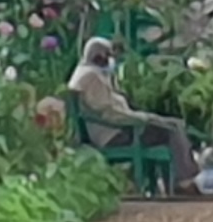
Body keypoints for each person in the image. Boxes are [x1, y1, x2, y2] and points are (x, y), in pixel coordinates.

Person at [63, 36, 194, 195]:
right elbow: (109, 113)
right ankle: (184, 182)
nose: (110, 60)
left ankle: (181, 180)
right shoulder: (91, 77)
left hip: (120, 128)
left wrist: (141, 116)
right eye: (107, 55)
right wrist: (140, 118)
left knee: (174, 124)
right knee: (171, 129)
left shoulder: (91, 74)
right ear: (97, 56)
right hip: (113, 134)